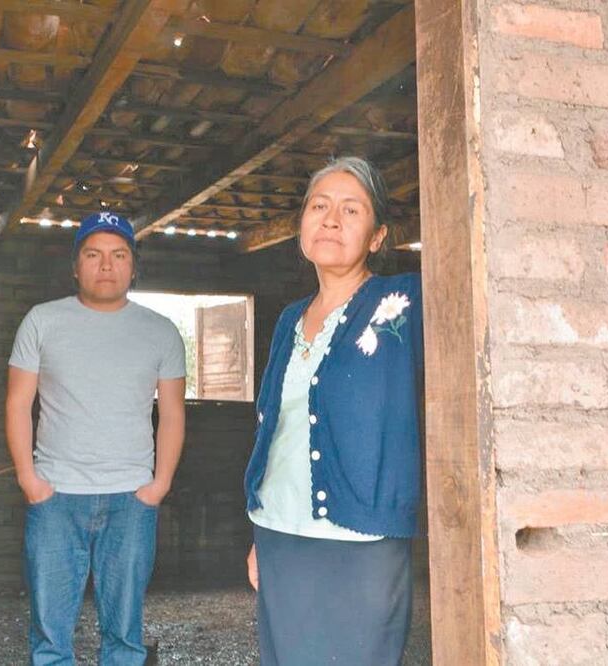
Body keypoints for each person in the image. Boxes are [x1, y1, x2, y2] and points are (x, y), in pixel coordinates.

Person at [244, 156, 423, 665]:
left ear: (376, 236)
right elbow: (276, 428)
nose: (330, 219)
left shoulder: (404, 303)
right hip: (279, 531)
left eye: (351, 209)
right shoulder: (287, 320)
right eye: (319, 206)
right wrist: (258, 532)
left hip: (362, 537)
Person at [5, 211, 187, 665]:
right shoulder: (41, 322)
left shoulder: (160, 331)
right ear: (75, 265)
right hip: (56, 496)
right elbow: (16, 404)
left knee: (124, 636)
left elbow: (172, 413)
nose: (106, 265)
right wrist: (30, 479)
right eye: (93, 254)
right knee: (50, 636)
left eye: (118, 255)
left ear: (133, 266)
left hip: (131, 498)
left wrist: (158, 485)